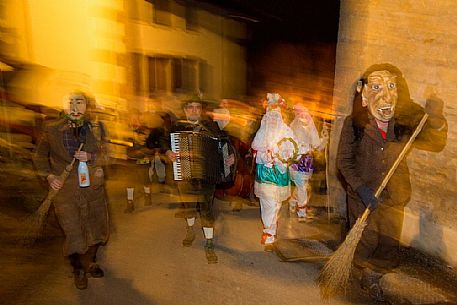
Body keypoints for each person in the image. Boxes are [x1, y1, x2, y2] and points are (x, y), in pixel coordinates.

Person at [336, 63, 447, 300]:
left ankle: (373, 275)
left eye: (391, 86)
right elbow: (344, 161)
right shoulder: (354, 124)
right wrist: (361, 189)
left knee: (387, 242)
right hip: (363, 194)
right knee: (367, 239)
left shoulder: (404, 122)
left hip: (394, 195)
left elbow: (436, 142)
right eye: (376, 86)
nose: (385, 93)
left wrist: (435, 117)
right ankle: (359, 269)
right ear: (363, 93)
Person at [33, 91, 109, 290]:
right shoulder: (51, 129)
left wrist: (91, 158)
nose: (75, 107)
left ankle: (90, 261)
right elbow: (39, 157)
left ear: (87, 106)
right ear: (64, 106)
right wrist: (49, 176)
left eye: (80, 102)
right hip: (65, 189)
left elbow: (107, 156)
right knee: (73, 230)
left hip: (92, 188)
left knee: (95, 228)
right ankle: (79, 270)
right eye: (70, 102)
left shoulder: (97, 128)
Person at [163, 98, 234, 264]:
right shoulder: (177, 127)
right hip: (185, 171)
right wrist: (168, 151)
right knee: (188, 206)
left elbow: (225, 142)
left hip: (207, 174)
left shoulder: (211, 126)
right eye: (190, 107)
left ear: (201, 110)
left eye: (197, 107)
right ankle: (190, 231)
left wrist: (230, 156)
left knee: (206, 209)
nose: (194, 110)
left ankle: (209, 243)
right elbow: (164, 141)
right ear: (185, 110)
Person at [251, 93, 297, 251]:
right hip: (265, 172)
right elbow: (256, 148)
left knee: (276, 203)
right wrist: (265, 156)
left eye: (275, 117)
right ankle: (268, 231)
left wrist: (280, 157)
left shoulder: (287, 132)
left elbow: (292, 150)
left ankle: (271, 228)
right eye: (269, 117)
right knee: (267, 201)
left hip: (280, 171)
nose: (272, 120)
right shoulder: (261, 132)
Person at [288, 104, 328, 222]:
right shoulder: (308, 123)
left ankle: (293, 202)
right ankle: (301, 211)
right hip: (303, 161)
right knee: (302, 186)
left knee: (300, 185)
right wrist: (324, 139)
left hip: (293, 160)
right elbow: (316, 144)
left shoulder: (292, 124)